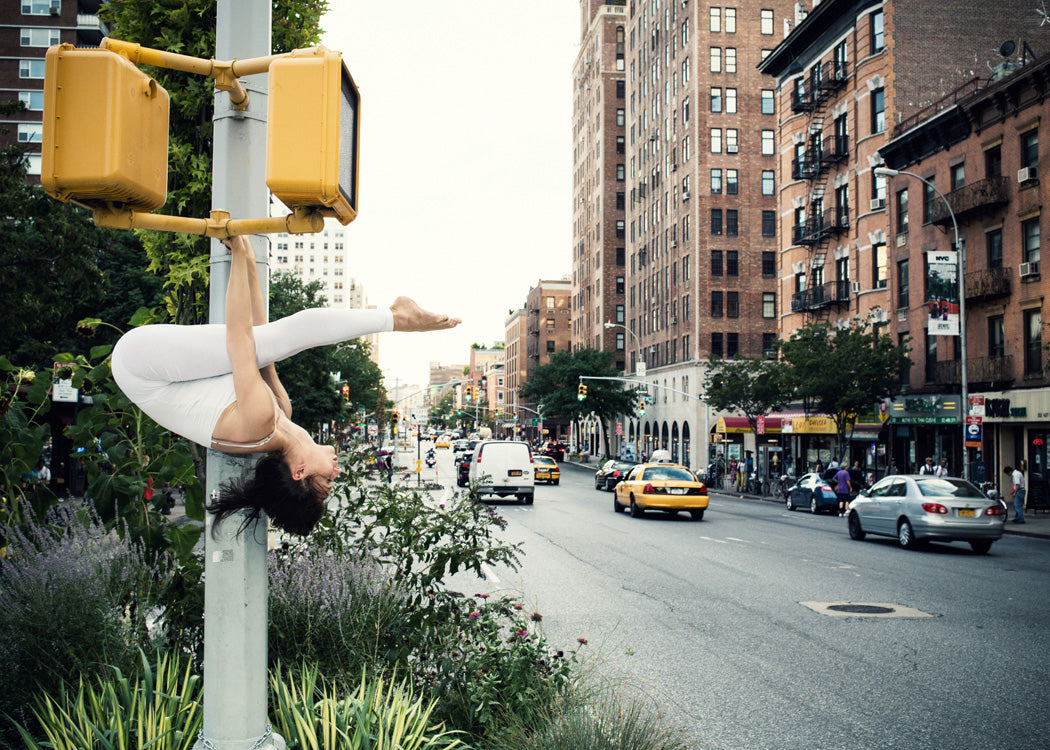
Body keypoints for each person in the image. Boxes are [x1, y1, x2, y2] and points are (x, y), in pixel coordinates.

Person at [111, 234, 459, 536]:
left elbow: (241, 339)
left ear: (300, 471)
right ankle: (395, 318)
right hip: (168, 374)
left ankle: (396, 318)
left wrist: (237, 255)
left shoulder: (261, 423)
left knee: (261, 341)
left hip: (141, 366)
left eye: (328, 480)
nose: (337, 471)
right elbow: (265, 335)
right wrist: (248, 263)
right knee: (269, 339)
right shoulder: (281, 413)